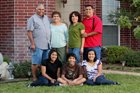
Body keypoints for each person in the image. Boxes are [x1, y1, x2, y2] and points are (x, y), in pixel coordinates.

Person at [27, 4, 52, 82]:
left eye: (43, 9)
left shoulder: (47, 18)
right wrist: (32, 44)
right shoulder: (32, 18)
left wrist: (63, 24)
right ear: (36, 10)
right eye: (39, 9)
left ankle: (43, 76)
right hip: (37, 45)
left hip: (47, 45)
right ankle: (34, 78)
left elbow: (54, 24)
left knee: (44, 63)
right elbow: (29, 32)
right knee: (35, 62)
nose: (41, 11)